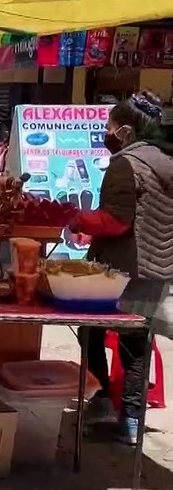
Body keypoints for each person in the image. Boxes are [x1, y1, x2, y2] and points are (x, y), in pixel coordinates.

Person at [72, 92, 173, 444]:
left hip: (120, 270)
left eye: (110, 128)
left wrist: (79, 220)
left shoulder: (126, 164)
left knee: (90, 331)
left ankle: (101, 401)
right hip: (158, 268)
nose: (107, 134)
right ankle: (131, 420)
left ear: (127, 132)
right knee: (137, 344)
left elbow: (115, 221)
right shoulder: (166, 162)